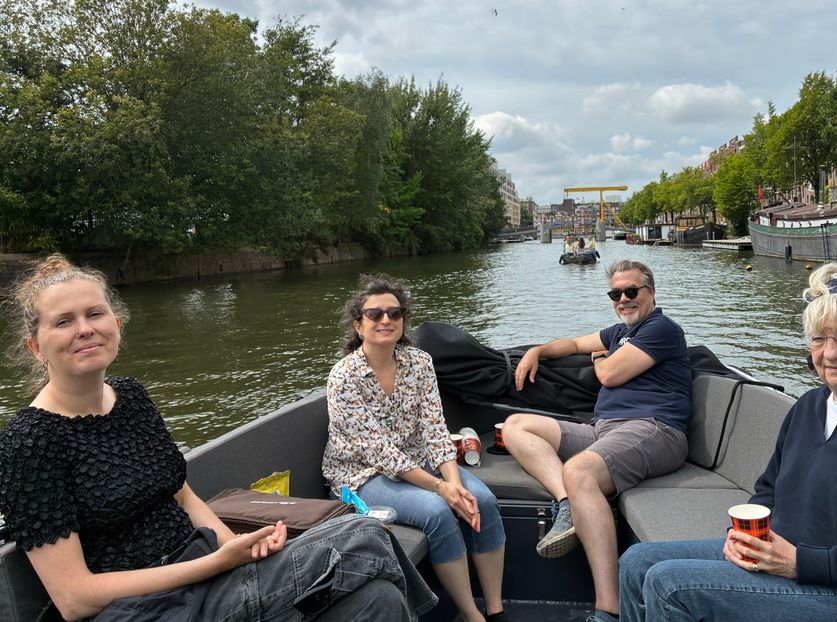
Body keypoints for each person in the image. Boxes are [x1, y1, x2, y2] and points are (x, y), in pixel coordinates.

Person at [0, 255, 434, 622]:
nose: (84, 329)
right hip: (147, 609)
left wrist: (240, 547)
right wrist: (217, 563)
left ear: (116, 324)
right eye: (63, 321)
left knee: (379, 600)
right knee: (366, 535)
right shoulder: (31, 441)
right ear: (36, 346)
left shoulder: (131, 398)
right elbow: (75, 599)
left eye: (94, 314)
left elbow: (185, 499)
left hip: (207, 571)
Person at [619, 262, 837, 622]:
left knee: (671, 586)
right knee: (636, 564)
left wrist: (797, 562)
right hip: (783, 559)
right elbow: (769, 488)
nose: (830, 353)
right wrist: (742, 536)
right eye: (819, 338)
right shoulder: (810, 406)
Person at [504, 259, 692, 622]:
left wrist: (601, 356)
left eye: (631, 291)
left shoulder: (662, 328)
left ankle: (609, 609)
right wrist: (537, 351)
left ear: (650, 293)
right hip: (605, 428)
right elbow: (573, 342)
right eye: (615, 293)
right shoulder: (619, 333)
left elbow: (607, 374)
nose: (623, 299)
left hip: (655, 428)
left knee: (580, 471)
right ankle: (567, 505)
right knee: (515, 426)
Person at [322, 274, 507, 622]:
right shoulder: (343, 377)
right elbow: (379, 453)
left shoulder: (420, 363)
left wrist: (452, 481)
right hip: (361, 475)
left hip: (421, 461)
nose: (386, 320)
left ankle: (496, 610)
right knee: (437, 512)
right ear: (358, 325)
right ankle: (472, 615)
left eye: (394, 312)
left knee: (483, 500)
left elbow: (436, 430)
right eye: (375, 314)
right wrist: (442, 489)